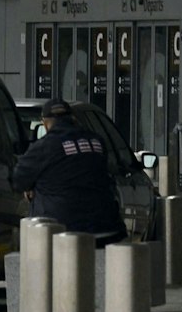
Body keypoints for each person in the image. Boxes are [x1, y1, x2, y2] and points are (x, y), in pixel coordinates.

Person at [10, 100, 125, 240]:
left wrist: (31, 187)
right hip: (107, 228)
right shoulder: (97, 141)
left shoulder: (44, 146)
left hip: (64, 232)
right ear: (73, 119)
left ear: (45, 123)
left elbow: (18, 180)